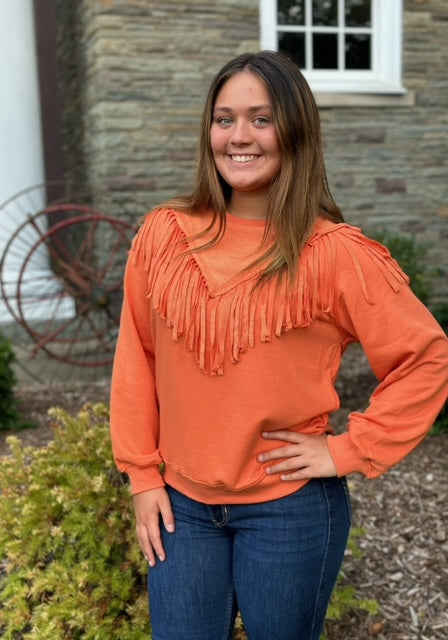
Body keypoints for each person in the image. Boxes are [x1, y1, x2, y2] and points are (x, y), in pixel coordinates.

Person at [110, 51, 448, 640]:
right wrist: (141, 477)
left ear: (294, 130)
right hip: (181, 509)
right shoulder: (163, 235)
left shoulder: (335, 252)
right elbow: (136, 357)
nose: (239, 136)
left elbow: (426, 356)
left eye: (261, 119)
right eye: (224, 118)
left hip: (290, 510)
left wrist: (347, 449)